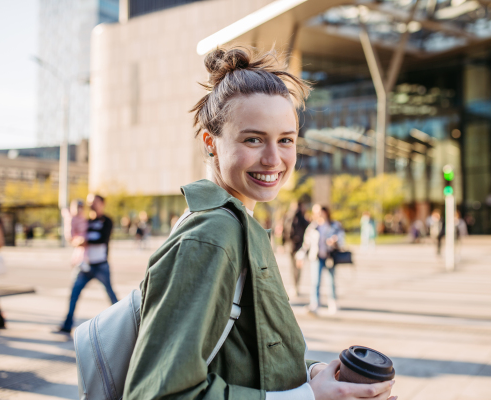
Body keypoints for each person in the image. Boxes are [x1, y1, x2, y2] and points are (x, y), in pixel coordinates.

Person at [123, 47, 397, 400]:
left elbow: (241, 354)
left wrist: (317, 374)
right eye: (253, 139)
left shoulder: (238, 223)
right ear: (211, 144)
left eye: (286, 140)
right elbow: (158, 394)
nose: (273, 159)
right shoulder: (213, 236)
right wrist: (308, 397)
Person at [57, 194, 118, 334]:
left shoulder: (106, 221)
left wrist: (84, 241)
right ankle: (67, 324)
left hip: (101, 265)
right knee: (74, 294)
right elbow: (74, 235)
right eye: (90, 202)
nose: (92, 205)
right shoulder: (84, 220)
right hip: (84, 265)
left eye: (95, 202)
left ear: (102, 203)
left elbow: (103, 239)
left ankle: (124, 322)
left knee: (111, 294)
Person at [300, 205, 345, 315]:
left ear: (325, 212)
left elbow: (342, 238)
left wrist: (335, 241)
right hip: (316, 257)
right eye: (316, 212)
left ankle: (332, 302)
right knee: (315, 281)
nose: (318, 214)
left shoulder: (334, 225)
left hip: (330, 256)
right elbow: (306, 244)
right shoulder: (312, 227)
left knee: (331, 281)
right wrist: (300, 256)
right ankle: (315, 304)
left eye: (319, 211)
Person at [282, 201, 309, 296]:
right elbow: (284, 231)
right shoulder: (289, 218)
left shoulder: (301, 219)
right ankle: (294, 285)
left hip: (299, 246)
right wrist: (283, 244)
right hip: (291, 245)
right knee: (293, 267)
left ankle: (296, 285)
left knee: (297, 267)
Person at [63, 200, 89, 271]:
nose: (79, 209)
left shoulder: (82, 217)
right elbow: (69, 234)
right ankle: (79, 262)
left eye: (81, 207)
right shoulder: (71, 218)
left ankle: (81, 262)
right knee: (80, 251)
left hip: (84, 238)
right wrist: (76, 240)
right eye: (77, 207)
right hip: (79, 239)